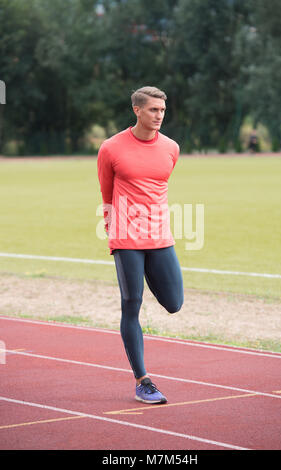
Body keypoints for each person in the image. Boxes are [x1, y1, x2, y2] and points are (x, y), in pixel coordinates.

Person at [97, 86, 184, 404]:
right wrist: (113, 230)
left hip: (160, 236)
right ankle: (142, 381)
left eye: (162, 110)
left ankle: (147, 271)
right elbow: (106, 192)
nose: (159, 115)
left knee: (174, 302)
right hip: (126, 237)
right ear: (137, 110)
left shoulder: (171, 148)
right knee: (131, 302)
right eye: (153, 110)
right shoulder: (111, 148)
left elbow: (157, 188)